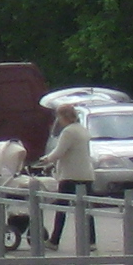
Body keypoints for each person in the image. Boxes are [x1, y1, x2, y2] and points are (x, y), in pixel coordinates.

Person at [43, 102, 95, 247]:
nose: (58, 120)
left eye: (58, 117)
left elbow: (59, 152)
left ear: (63, 116)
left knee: (61, 208)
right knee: (87, 210)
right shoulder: (82, 130)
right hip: (86, 174)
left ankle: (54, 240)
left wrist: (45, 160)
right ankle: (91, 241)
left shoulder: (68, 132)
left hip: (70, 176)